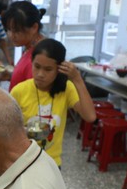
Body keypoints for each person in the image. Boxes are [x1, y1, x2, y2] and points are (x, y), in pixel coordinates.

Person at [10, 39, 96, 167]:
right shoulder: (19, 91)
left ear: (59, 69)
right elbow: (7, 128)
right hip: (23, 161)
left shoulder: (66, 89)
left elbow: (90, 116)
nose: (40, 74)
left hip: (52, 163)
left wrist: (77, 79)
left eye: (48, 69)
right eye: (37, 66)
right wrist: (26, 131)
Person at [2, 1, 47, 90]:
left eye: (16, 31)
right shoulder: (30, 47)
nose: (11, 35)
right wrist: (11, 75)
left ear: (34, 27)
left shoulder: (41, 56)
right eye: (9, 29)